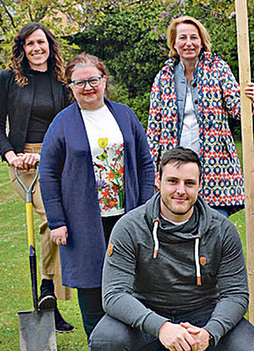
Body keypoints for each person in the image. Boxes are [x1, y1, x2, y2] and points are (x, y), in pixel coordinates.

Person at [88, 147, 254, 351]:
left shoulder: (222, 229)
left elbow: (236, 294)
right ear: (158, 180)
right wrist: (161, 326)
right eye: (173, 181)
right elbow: (114, 294)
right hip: (147, 312)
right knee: (106, 340)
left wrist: (210, 332)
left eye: (189, 183)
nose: (181, 190)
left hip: (205, 313)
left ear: (200, 185)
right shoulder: (129, 227)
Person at [39, 52, 155, 339]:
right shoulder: (62, 123)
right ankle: (98, 341)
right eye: (79, 83)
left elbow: (145, 162)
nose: (87, 87)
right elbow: (49, 173)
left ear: (104, 80)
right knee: (91, 284)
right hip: (82, 221)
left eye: (93, 80)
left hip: (126, 217)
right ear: (70, 87)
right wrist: (56, 222)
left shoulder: (124, 115)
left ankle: (132, 339)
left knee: (132, 280)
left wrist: (144, 210)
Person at [0, 22, 74, 332]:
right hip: (23, 163)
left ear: (50, 45)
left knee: (64, 221)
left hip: (57, 158)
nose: (37, 48)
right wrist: (12, 156)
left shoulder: (61, 80)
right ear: (22, 49)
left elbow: (70, 123)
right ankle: (48, 291)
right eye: (30, 44)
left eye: (41, 42)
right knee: (51, 218)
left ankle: (48, 298)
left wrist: (47, 154)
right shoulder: (9, 79)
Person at [147, 16, 254, 217]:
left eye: (194, 38)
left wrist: (246, 98)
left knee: (215, 225)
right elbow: (154, 128)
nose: (188, 43)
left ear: (202, 41)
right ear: (174, 43)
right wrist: (153, 170)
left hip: (215, 165)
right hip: (174, 165)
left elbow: (238, 111)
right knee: (177, 226)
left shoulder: (218, 69)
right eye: (182, 38)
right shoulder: (163, 76)